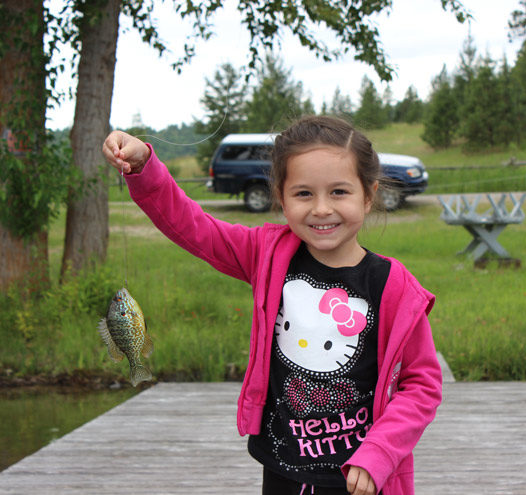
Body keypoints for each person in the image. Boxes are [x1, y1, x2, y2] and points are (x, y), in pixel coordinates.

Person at [102, 115, 442, 495]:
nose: (321, 209)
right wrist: (144, 168)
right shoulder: (265, 253)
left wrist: (379, 452)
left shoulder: (393, 286)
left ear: (369, 194)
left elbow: (422, 384)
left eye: (339, 192)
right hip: (282, 468)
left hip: (360, 478)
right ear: (280, 197)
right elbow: (192, 224)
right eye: (303, 194)